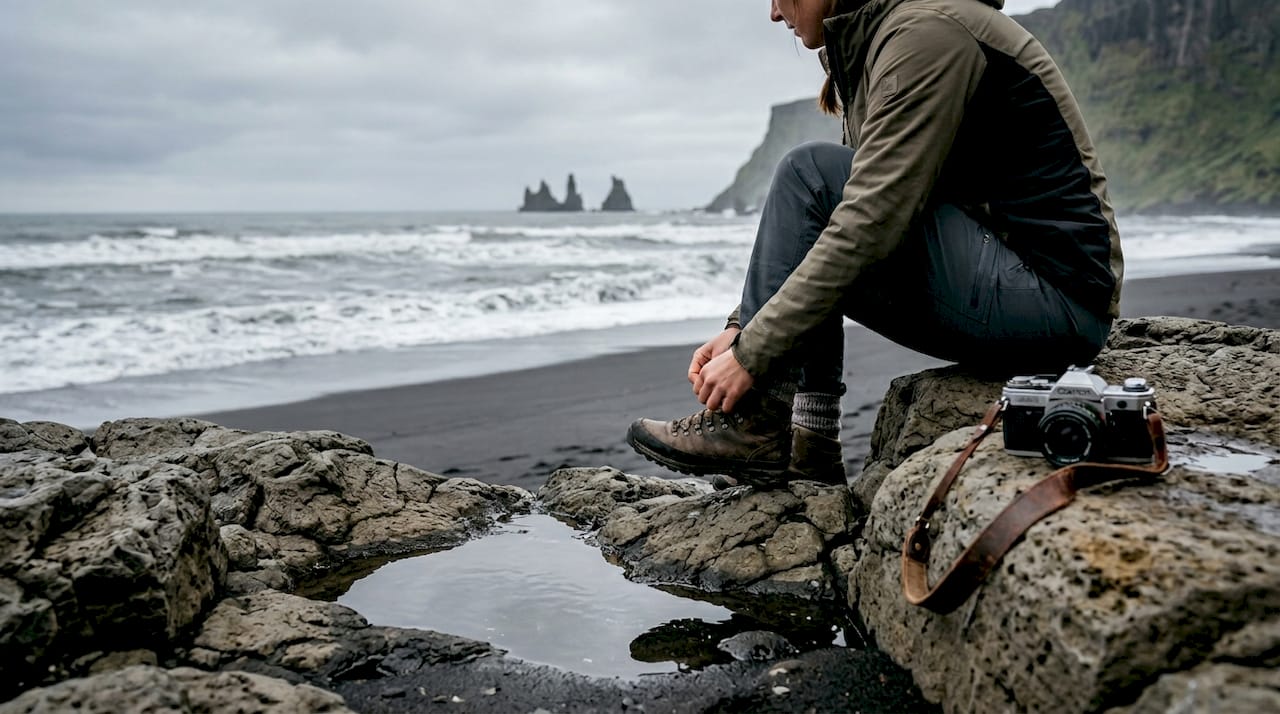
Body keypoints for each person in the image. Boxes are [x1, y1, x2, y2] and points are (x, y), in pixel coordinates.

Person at [626, 0, 1123, 489]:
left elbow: (868, 221)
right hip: (1024, 284)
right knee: (819, 192)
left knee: (809, 174)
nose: (775, 13)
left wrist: (751, 354)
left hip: (1055, 299)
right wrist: (741, 326)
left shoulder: (929, 32)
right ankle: (809, 448)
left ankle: (760, 425)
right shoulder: (892, 36)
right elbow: (841, 224)